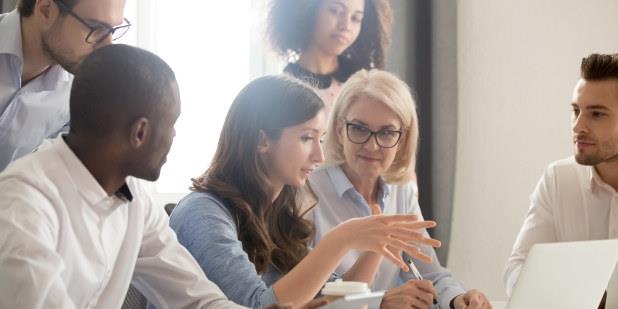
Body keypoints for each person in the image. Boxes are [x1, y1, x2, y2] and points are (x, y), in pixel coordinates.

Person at [0, 44, 250, 309]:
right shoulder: (22, 204)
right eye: (171, 123)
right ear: (139, 133)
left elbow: (196, 298)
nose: (174, 136)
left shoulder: (133, 197)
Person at [167, 75, 441, 309]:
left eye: (319, 139)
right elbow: (258, 305)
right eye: (306, 138)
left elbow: (335, 300)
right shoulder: (202, 213)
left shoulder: (275, 215)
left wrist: (378, 245)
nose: (319, 155)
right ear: (263, 140)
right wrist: (340, 240)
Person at [310, 69, 492, 309]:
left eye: (386, 133)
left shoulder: (400, 190)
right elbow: (309, 297)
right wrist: (379, 303)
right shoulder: (307, 190)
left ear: (403, 139)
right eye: (360, 129)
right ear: (339, 130)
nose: (372, 145)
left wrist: (458, 299)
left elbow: (431, 275)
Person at [505, 53, 618, 298]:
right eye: (576, 110)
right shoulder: (558, 179)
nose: (578, 126)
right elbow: (517, 274)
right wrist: (577, 296)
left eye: (596, 114)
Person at [0, 0, 130, 171]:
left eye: (113, 30)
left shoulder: (81, 94)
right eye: (95, 27)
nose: (107, 45)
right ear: (46, 10)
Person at [266, 0, 392, 112]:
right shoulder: (283, 91)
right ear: (309, 9)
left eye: (355, 18)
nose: (346, 26)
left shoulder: (362, 85)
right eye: (335, 11)